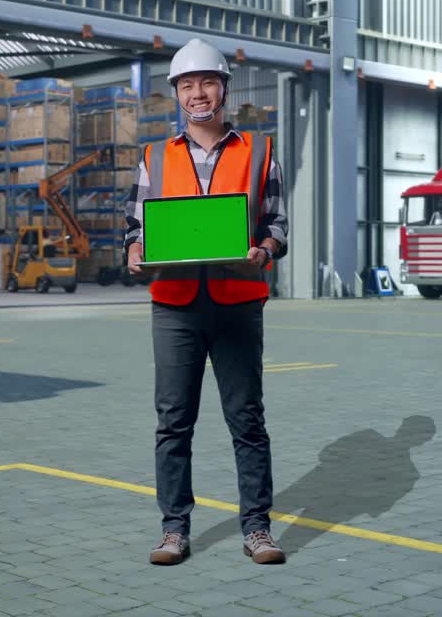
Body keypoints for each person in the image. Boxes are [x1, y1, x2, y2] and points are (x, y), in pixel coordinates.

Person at [123, 38, 289, 567]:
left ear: (224, 89)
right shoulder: (154, 156)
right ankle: (174, 530)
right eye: (187, 85)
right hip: (174, 305)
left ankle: (257, 529)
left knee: (246, 418)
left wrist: (264, 250)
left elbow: (277, 224)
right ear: (177, 94)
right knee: (173, 420)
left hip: (238, 300)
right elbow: (136, 225)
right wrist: (132, 250)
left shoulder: (259, 151)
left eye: (207, 82)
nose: (198, 93)